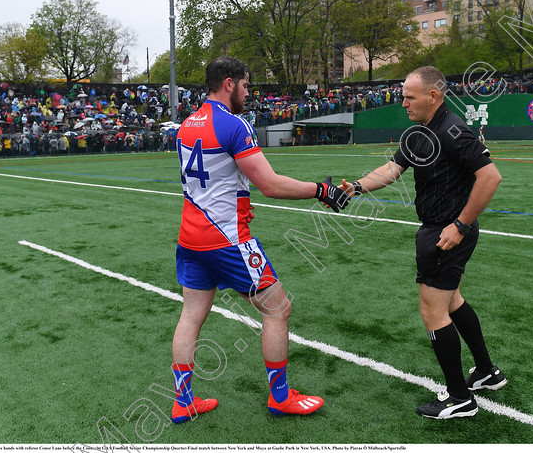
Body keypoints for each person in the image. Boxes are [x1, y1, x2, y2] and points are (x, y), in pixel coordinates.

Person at [170, 56, 350, 424]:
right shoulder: (234, 124)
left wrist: (239, 200)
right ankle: (280, 397)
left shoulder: (186, 125)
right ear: (229, 83)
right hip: (227, 240)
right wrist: (321, 190)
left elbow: (214, 182)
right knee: (277, 308)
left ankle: (182, 401)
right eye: (247, 86)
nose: (249, 93)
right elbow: (269, 184)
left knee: (191, 315)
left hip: (190, 237)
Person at [340, 66, 505, 420]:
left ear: (434, 95)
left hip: (445, 234)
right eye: (402, 96)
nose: (402, 103)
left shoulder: (453, 130)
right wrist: (355, 187)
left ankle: (460, 398)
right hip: (439, 230)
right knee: (453, 300)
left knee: (433, 311)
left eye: (409, 97)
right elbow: (392, 169)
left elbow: (490, 177)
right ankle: (487, 372)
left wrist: (459, 225)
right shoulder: (420, 132)